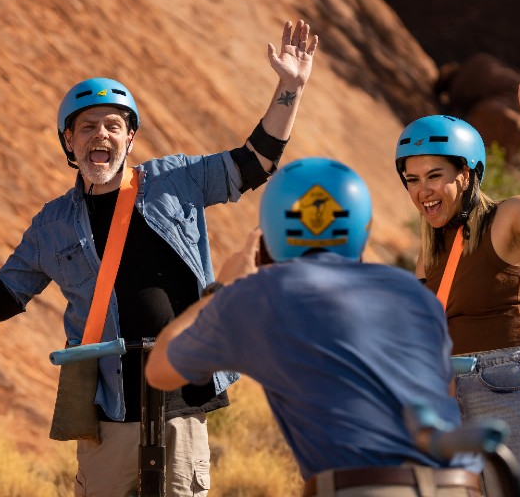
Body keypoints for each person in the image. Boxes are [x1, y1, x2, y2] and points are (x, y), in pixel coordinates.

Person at [0, 20, 319, 497]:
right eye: (88, 127)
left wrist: (289, 88)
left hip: (184, 400)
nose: (101, 135)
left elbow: (255, 162)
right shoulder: (52, 224)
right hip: (111, 412)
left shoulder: (176, 179)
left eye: (113, 126)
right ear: (70, 142)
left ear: (130, 137)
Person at [145, 157, 483, 496]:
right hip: (459, 486)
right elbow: (443, 393)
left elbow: (161, 369)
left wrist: (222, 292)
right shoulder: (412, 292)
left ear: (270, 235)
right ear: (362, 228)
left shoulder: (259, 297)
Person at [393, 61, 520, 496]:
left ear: (465, 175)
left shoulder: (506, 218)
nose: (421, 190)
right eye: (412, 180)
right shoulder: (428, 258)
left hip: (513, 400)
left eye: (434, 176)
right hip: (449, 413)